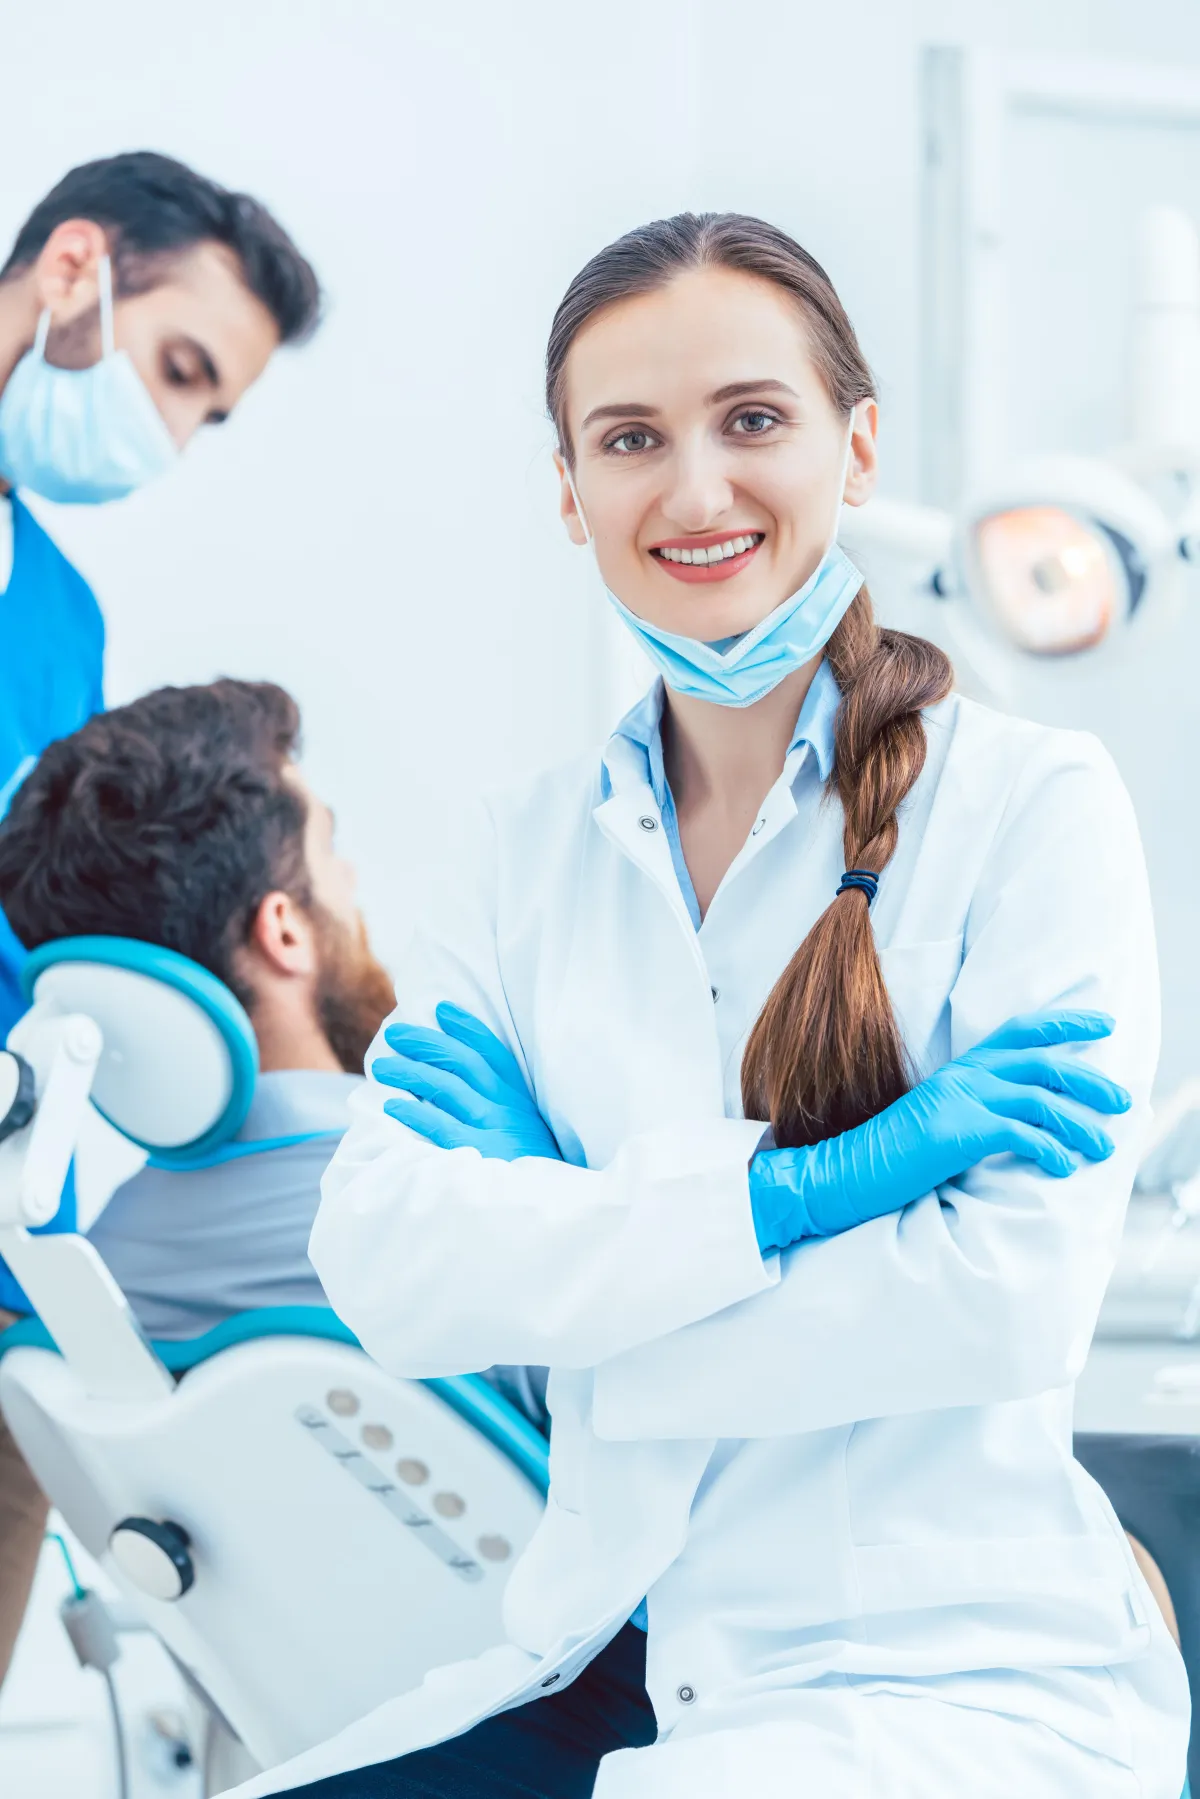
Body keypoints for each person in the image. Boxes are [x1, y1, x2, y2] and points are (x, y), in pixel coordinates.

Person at [225, 215, 1188, 1799]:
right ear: (568, 489)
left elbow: (1002, 1303)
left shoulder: (1033, 805)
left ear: (857, 443)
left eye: (753, 419)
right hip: (600, 1648)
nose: (692, 491)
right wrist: (792, 1196)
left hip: (931, 1676)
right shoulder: (526, 850)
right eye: (628, 439)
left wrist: (574, 1260)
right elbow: (389, 1266)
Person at [0, 678, 393, 1687]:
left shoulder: (97, 1288)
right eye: (332, 849)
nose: (352, 880)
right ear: (284, 928)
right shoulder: (445, 1193)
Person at [0, 150, 322, 1045]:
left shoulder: (63, 619)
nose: (172, 440)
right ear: (72, 270)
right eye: (179, 371)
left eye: (206, 416)